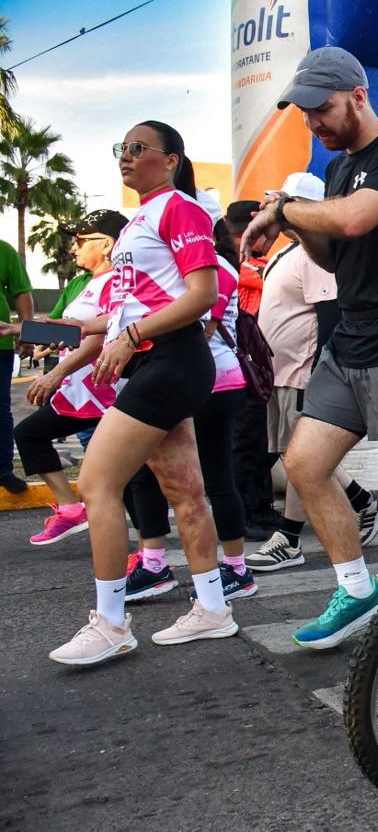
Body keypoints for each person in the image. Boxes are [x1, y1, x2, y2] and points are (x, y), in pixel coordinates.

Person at [240, 45, 378, 649]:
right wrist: (295, 224)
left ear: (358, 96)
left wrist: (286, 208)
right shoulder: (335, 171)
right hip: (352, 336)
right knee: (303, 464)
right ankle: (358, 590)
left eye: (322, 109)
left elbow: (357, 219)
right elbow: (335, 255)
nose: (314, 122)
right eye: (306, 113)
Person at [49, 121, 238, 665]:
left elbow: (201, 295)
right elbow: (130, 306)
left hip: (172, 359)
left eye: (137, 148)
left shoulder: (180, 208)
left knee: (96, 483)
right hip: (157, 362)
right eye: (121, 149)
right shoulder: (141, 219)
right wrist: (77, 329)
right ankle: (213, 609)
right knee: (185, 492)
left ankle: (111, 623)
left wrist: (131, 336)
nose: (125, 157)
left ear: (171, 159)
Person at [245, 171, 378, 572]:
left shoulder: (315, 254)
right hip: (279, 373)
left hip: (302, 373)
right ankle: (365, 501)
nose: (271, 207)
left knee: (299, 455)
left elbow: (329, 316)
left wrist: (322, 374)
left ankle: (289, 539)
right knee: (294, 455)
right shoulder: (286, 253)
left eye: (280, 200)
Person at [122, 218, 256, 602]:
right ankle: (153, 563)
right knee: (146, 472)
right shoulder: (178, 267)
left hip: (215, 382)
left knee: (216, 478)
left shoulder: (217, 270)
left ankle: (237, 569)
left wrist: (143, 334)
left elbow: (202, 330)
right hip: (177, 379)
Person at [12, 210, 126, 544]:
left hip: (104, 393)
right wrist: (18, 330)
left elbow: (100, 339)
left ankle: (148, 553)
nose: (73, 248)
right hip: (79, 394)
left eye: (80, 240)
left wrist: (54, 375)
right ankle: (72, 509)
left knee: (124, 480)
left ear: (106, 245)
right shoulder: (85, 283)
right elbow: (75, 330)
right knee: (30, 434)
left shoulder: (116, 282)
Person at [224, 199, 281, 540]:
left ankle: (259, 506)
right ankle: (244, 513)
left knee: (258, 441)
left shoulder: (248, 264)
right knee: (244, 442)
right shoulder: (241, 266)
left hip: (254, 365)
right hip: (240, 365)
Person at [0, 237, 35, 493]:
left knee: (0, 410)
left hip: (0, 343)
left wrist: (27, 333)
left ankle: (2, 470)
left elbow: (21, 292)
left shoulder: (4, 250)